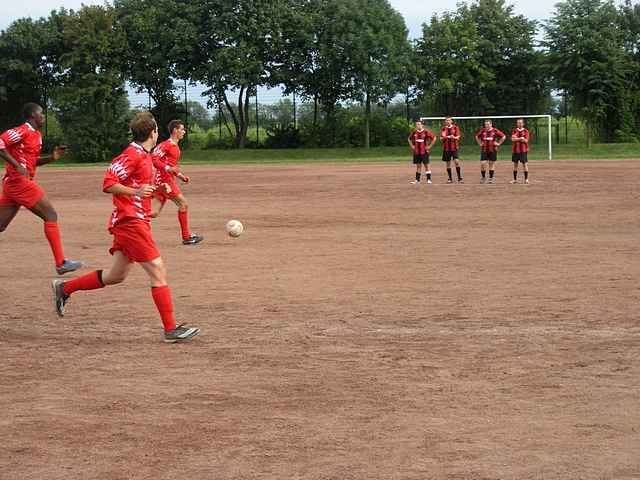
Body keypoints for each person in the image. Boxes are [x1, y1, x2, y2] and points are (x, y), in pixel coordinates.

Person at [52, 112, 200, 344]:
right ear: (153, 132)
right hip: (130, 222)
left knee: (116, 275)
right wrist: (136, 193)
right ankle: (170, 329)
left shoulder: (145, 155)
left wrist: (156, 203)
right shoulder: (133, 154)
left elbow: (152, 184)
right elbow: (108, 183)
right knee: (158, 270)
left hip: (134, 220)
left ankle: (65, 288)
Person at [0, 102, 82, 275]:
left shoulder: (36, 135)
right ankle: (61, 263)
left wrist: (52, 158)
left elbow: (31, 162)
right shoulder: (23, 130)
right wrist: (16, 166)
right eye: (41, 113)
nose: (43, 116)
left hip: (14, 184)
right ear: (32, 116)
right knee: (51, 215)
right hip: (18, 182)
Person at [150, 120, 203, 245]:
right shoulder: (167, 145)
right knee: (183, 204)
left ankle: (129, 217)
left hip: (165, 180)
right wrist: (168, 169)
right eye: (182, 129)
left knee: (154, 213)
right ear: (175, 130)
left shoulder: (175, 147)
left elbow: (170, 166)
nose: (184, 132)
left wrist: (180, 176)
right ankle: (186, 236)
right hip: (164, 181)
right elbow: (153, 159)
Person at [475, 119, 506, 184]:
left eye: (488, 124)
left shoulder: (495, 130)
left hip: (493, 150)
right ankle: (483, 177)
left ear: (491, 124)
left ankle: (490, 178)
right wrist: (480, 144)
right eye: (486, 124)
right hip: (484, 150)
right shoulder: (483, 130)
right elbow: (477, 137)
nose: (487, 125)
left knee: (491, 164)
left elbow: (503, 137)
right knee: (483, 163)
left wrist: (498, 143)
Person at [407, 120, 436, 184]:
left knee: (426, 165)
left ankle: (429, 179)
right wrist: (412, 146)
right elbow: (409, 139)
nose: (418, 125)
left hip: (424, 151)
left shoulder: (426, 132)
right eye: (417, 124)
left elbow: (434, 138)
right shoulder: (414, 132)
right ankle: (417, 180)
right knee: (418, 166)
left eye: (419, 124)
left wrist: (429, 146)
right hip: (416, 152)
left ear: (422, 125)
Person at [440, 117, 463, 183]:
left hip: (454, 148)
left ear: (451, 121)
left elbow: (458, 137)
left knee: (456, 161)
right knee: (448, 163)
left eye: (449, 120)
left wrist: (454, 137)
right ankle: (450, 178)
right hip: (446, 148)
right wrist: (445, 137)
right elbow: (441, 138)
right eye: (446, 120)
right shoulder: (443, 129)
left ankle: (459, 178)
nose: (448, 121)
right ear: (445, 121)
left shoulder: (455, 128)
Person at [511, 118, 530, 184]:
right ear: (517, 123)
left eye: (521, 123)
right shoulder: (514, 130)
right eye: (518, 123)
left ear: (523, 123)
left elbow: (526, 140)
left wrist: (520, 139)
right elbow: (512, 139)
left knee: (525, 165)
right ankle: (514, 180)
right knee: (515, 165)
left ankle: (526, 179)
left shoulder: (526, 131)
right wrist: (520, 138)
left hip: (523, 150)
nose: (519, 124)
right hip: (515, 151)